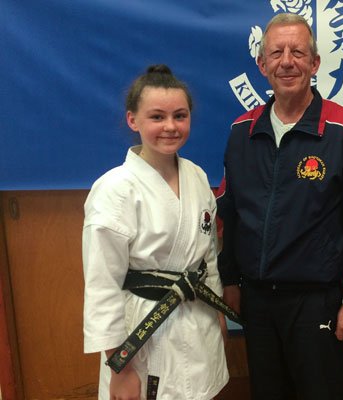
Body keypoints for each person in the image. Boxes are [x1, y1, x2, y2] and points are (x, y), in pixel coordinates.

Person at [216, 13, 343, 400]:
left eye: (298, 52)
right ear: (262, 65)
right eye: (276, 52)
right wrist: (229, 280)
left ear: (315, 63)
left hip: (319, 302)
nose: (287, 61)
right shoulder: (242, 131)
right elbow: (229, 212)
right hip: (257, 302)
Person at [82, 64, 228, 400]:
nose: (170, 127)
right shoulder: (114, 189)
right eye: (157, 117)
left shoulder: (197, 177)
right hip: (143, 333)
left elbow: (208, 256)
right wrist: (118, 365)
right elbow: (102, 285)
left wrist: (217, 312)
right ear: (133, 120)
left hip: (198, 317)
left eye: (180, 116)